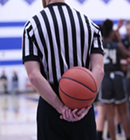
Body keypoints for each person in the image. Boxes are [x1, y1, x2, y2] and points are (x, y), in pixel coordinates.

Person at [22, 0, 104, 140]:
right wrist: (85, 103)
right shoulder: (89, 25)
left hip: (50, 104)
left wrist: (61, 107)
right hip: (83, 103)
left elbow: (34, 76)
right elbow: (99, 70)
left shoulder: (32, 26)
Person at [99, 19, 130, 140]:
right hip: (118, 77)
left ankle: (113, 138)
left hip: (106, 78)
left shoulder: (100, 45)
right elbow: (126, 55)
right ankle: (128, 137)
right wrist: (118, 39)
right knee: (123, 112)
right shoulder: (117, 44)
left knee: (110, 115)